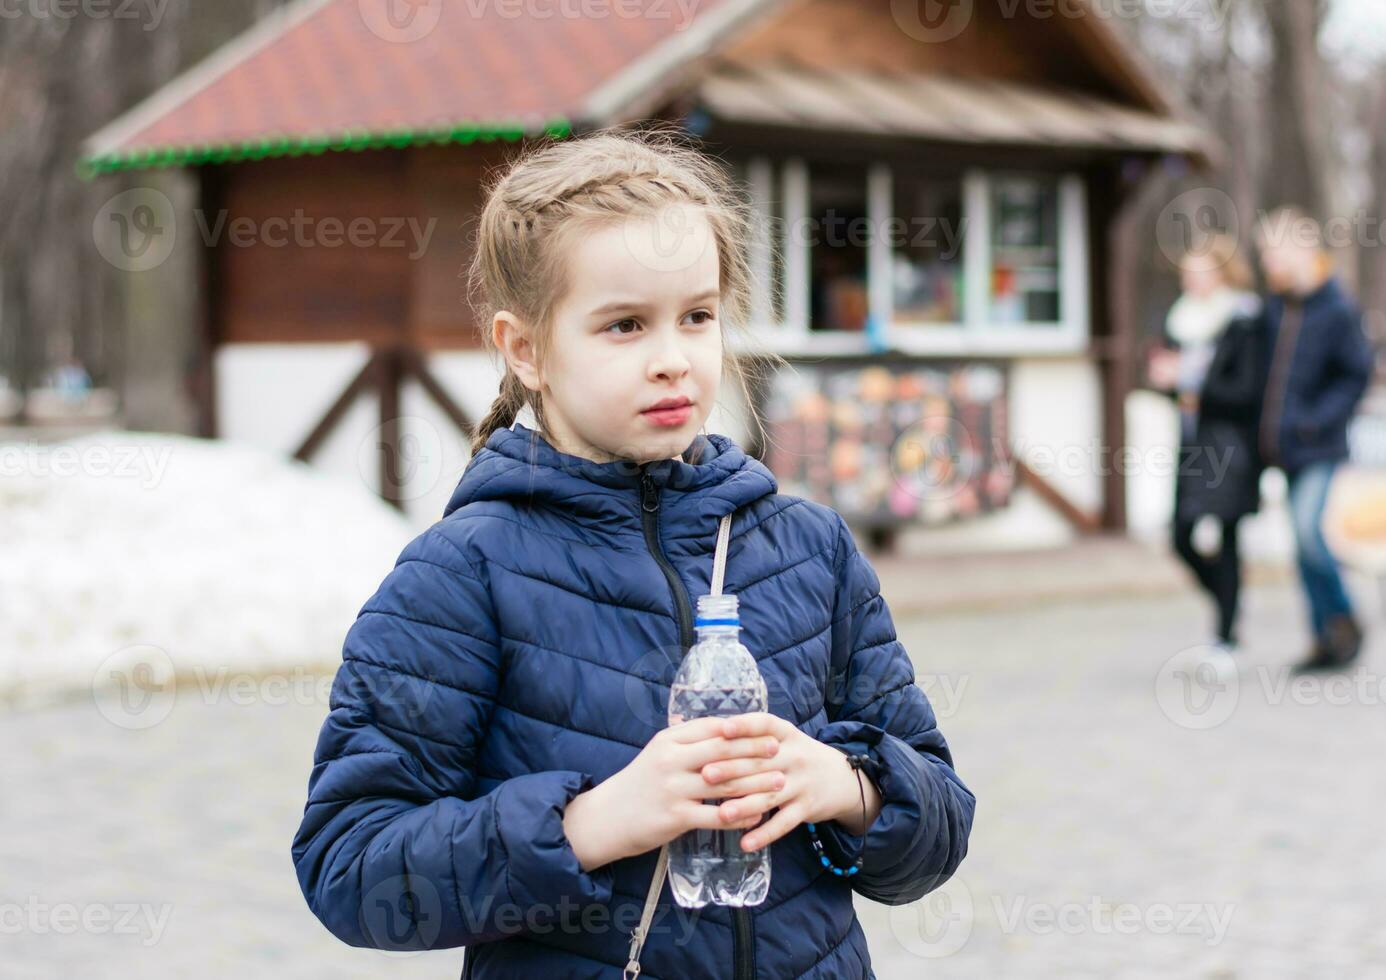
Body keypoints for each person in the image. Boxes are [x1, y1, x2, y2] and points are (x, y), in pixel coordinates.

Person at [290, 128, 975, 979]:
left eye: (696, 317)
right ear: (526, 348)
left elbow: (941, 827)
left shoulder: (811, 549)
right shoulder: (461, 574)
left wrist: (847, 786)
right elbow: (350, 865)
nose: (672, 361)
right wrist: (596, 821)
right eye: (624, 326)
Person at [1254, 207, 1374, 673]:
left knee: (1308, 532)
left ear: (1303, 250)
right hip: (1283, 447)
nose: (1269, 264)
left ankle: (1343, 618)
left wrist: (1314, 420)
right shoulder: (1275, 309)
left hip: (1318, 445)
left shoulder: (1336, 308)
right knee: (1302, 545)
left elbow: (1355, 375)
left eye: (1274, 253)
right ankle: (1325, 636)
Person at [1149, 237, 1267, 663]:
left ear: (1223, 273)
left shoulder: (1244, 320)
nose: (1191, 280)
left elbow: (1245, 391)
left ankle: (1226, 635)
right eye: (1187, 272)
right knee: (1180, 535)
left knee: (1228, 534)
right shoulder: (1181, 321)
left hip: (1231, 445)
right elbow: (1179, 392)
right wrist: (1169, 383)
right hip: (1193, 443)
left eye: (1200, 271)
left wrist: (1189, 380)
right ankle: (1227, 603)